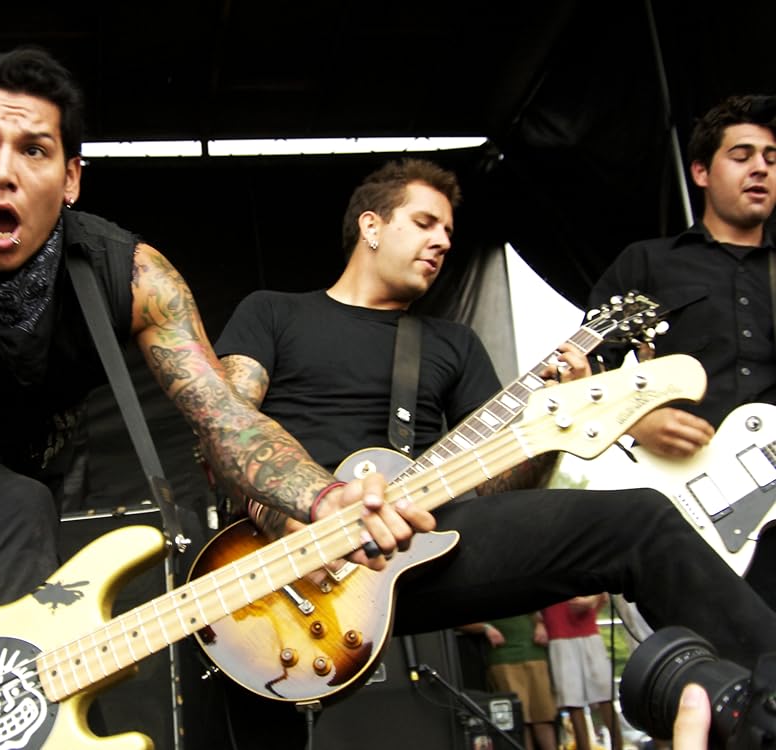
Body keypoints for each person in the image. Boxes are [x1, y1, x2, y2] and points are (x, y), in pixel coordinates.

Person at [0, 45, 431, 699]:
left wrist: (324, 498)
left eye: (34, 150)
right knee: (8, 511)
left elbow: (225, 420)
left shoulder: (132, 276)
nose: (2, 172)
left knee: (27, 522)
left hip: (35, 485)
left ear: (71, 179)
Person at [209, 157, 776, 746]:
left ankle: (766, 705)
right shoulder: (272, 311)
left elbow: (502, 487)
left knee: (641, 520)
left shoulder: (453, 343)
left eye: (448, 233)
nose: (441, 242)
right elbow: (224, 430)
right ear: (371, 226)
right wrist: (292, 517)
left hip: (417, 543)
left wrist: (556, 419)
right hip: (280, 553)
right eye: (425, 223)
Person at [587, 94, 776, 609]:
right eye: (741, 156)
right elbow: (583, 373)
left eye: (771, 158)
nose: (760, 168)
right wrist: (636, 421)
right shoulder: (649, 263)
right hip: (690, 505)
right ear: (701, 172)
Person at [464, 615, 559, 750]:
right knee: (519, 720)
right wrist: (486, 628)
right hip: (504, 659)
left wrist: (541, 624)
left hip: (535, 655)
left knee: (543, 717)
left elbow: (540, 615)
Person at [542, 595, 623, 750]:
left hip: (588, 630)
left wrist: (591, 601)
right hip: (558, 632)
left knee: (604, 695)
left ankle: (617, 746)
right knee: (572, 701)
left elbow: (603, 595)